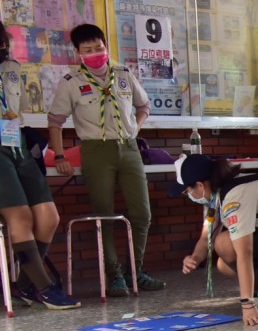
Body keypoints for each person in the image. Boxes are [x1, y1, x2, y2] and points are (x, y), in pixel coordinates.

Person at [47, 23, 164, 295]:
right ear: (77, 52)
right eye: (88, 50)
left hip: (129, 148)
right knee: (105, 214)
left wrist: (136, 126)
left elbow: (143, 104)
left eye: (99, 47)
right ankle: (114, 277)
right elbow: (55, 122)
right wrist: (60, 155)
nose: (95, 53)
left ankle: (136, 270)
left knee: (142, 213)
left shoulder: (123, 74)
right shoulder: (71, 83)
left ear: (106, 46)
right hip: (96, 150)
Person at [0, 21, 79, 309]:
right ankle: (45, 288)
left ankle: (23, 285)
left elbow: (16, 108)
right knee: (20, 219)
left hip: (16, 142)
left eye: (4, 44)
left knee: (49, 217)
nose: (3, 49)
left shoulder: (11, 69)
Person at [174, 155, 258, 326]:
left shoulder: (235, 194)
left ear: (199, 185)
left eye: (187, 191)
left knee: (225, 244)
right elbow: (206, 238)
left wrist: (247, 304)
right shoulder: (217, 195)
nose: (188, 196)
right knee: (224, 264)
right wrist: (195, 258)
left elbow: (245, 251)